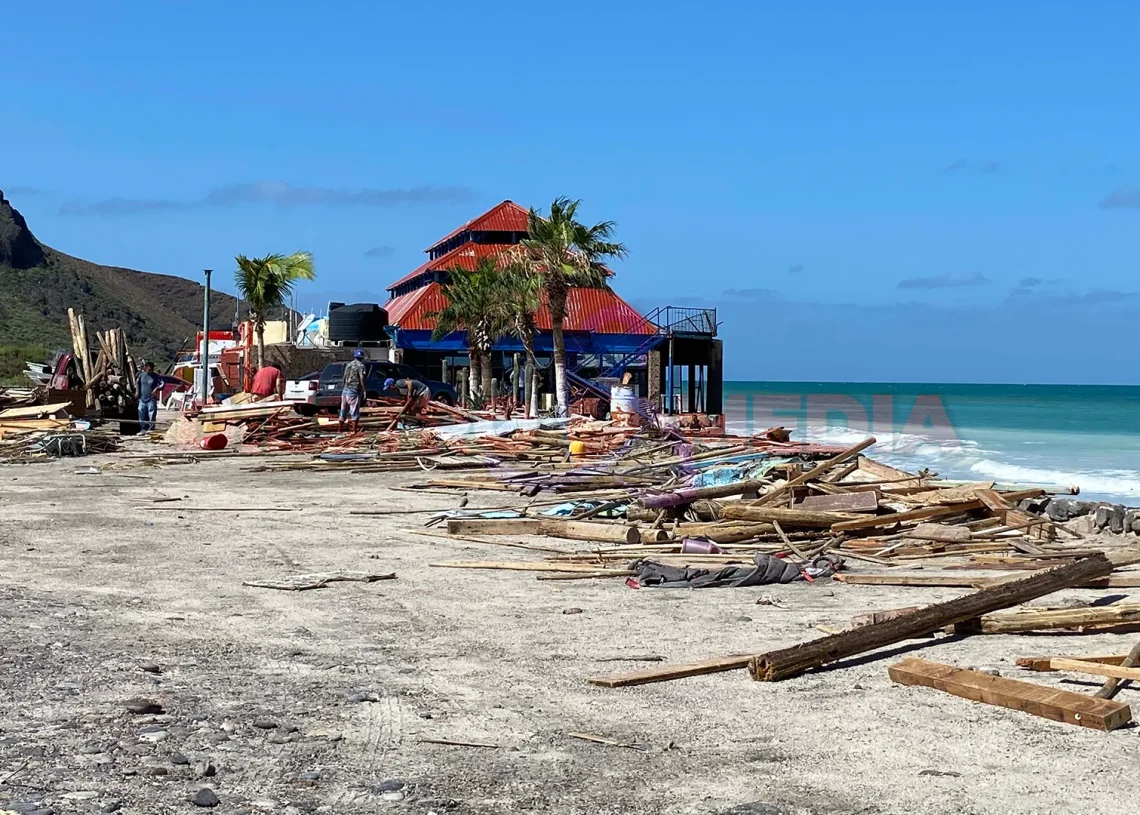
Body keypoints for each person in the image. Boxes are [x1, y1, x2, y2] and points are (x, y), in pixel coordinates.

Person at [338, 349, 367, 433]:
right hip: (354, 390)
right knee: (354, 412)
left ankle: (339, 431)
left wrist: (344, 387)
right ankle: (354, 432)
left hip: (345, 390)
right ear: (362, 357)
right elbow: (361, 377)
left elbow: (344, 377)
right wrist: (364, 390)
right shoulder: (361, 366)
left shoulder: (348, 365)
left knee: (343, 411)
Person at [136, 361, 161, 433]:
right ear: (145, 368)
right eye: (149, 370)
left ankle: (151, 428)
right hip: (142, 398)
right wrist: (137, 392)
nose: (150, 371)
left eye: (152, 370)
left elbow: (162, 383)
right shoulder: (141, 375)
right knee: (141, 413)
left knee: (152, 413)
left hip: (151, 398)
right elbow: (137, 383)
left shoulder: (156, 376)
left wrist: (156, 389)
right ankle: (143, 428)